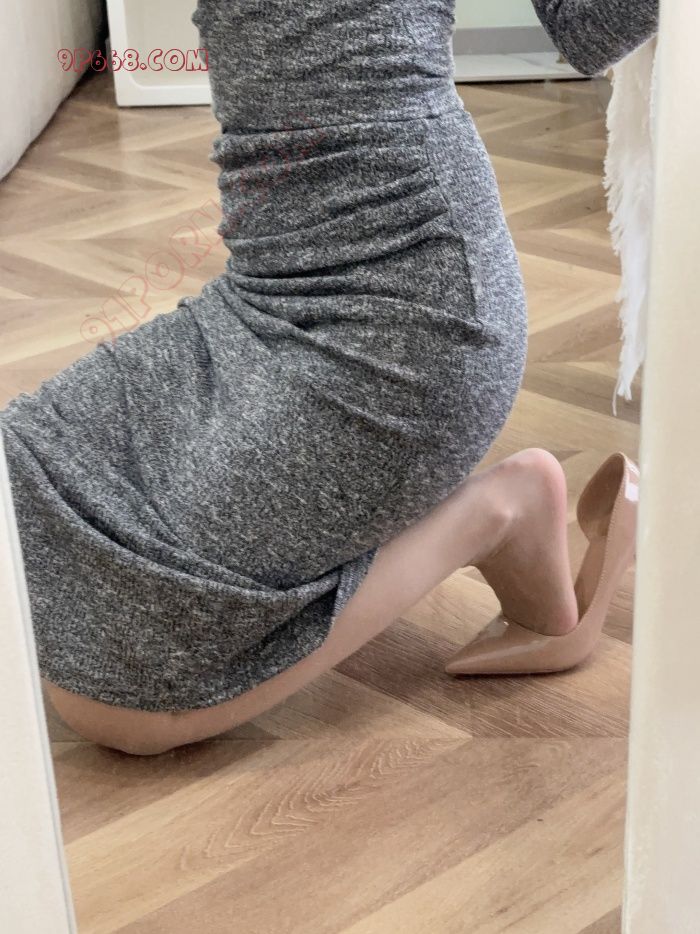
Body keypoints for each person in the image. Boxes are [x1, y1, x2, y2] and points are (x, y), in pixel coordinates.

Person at [0, 0, 657, 755]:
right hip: (264, 295)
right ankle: (516, 516)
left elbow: (594, 25)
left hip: (408, 322)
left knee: (120, 706)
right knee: (23, 476)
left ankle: (496, 513)